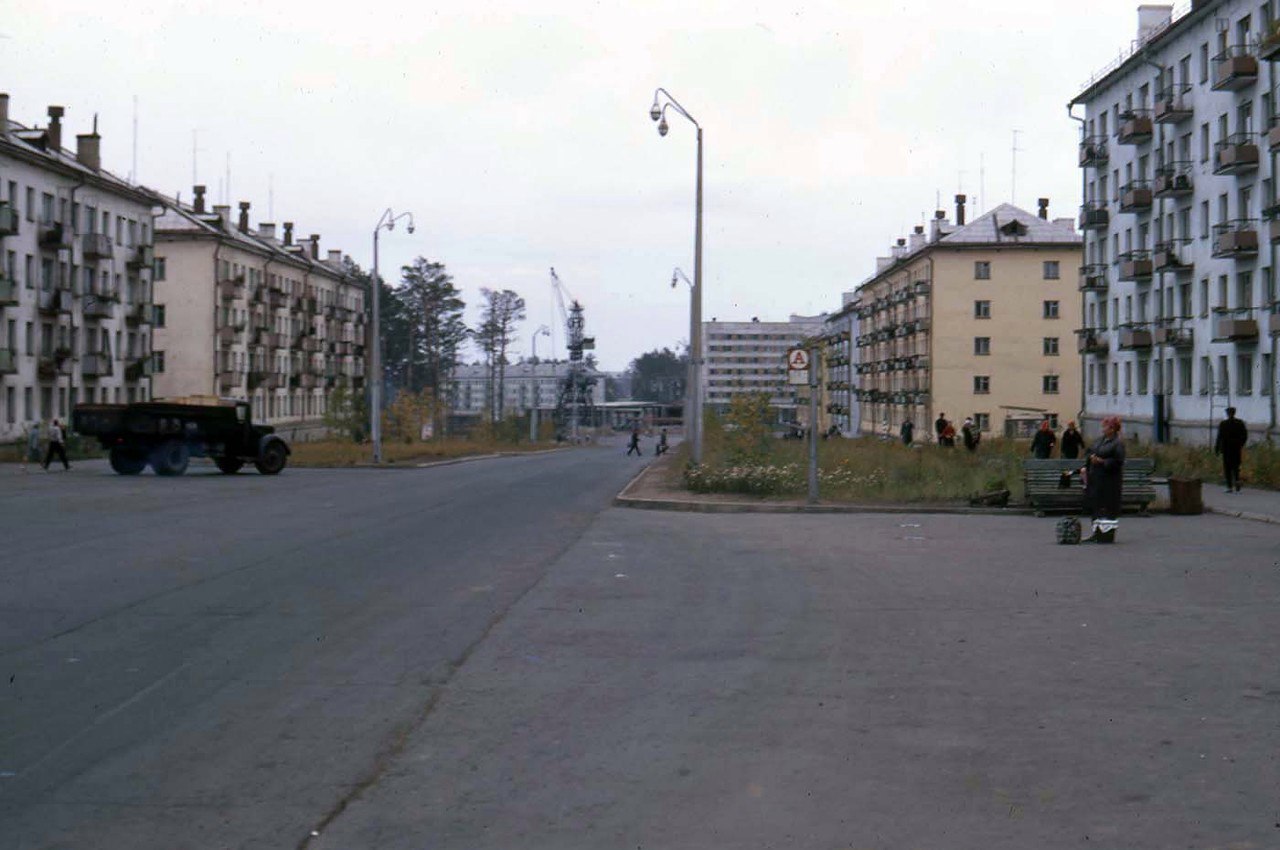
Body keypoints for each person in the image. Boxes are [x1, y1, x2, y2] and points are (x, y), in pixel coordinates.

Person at [1081, 415, 1125, 543]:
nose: (1103, 429)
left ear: (1112, 429)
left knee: (1107, 506)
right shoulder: (1099, 440)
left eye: (1105, 426)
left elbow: (1118, 461)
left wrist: (1102, 461)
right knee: (1096, 505)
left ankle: (1106, 534)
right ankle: (1096, 532)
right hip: (1096, 479)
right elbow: (1089, 451)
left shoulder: (1117, 443)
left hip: (1109, 481)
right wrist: (1089, 461)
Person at [1214, 407, 1248, 493]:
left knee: (1227, 467)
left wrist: (1217, 449)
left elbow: (1219, 437)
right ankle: (1237, 482)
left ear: (1227, 414)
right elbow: (1244, 435)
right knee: (1236, 466)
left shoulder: (1223, 424)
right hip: (1236, 449)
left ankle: (1229, 486)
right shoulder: (1239, 423)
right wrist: (1241, 444)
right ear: (1234, 413)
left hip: (1226, 449)